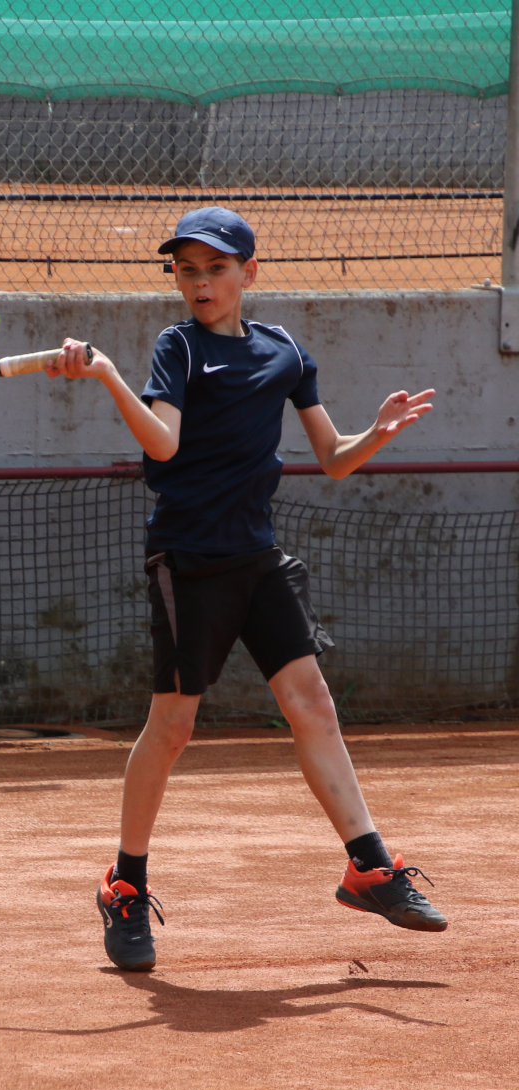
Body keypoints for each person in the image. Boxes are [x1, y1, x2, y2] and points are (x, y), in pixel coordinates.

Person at [47, 206, 447, 972]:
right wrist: (106, 376)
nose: (200, 283)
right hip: (189, 560)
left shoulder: (284, 351)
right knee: (173, 727)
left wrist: (377, 432)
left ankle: (369, 867)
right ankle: (124, 886)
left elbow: (332, 458)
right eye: (187, 270)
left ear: (248, 273)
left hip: (258, 558)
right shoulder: (179, 348)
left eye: (216, 268)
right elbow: (164, 444)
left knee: (312, 704)